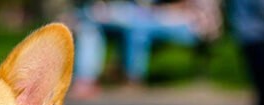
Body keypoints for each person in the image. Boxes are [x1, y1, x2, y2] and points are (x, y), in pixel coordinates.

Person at [72, 0, 221, 96]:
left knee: (137, 27)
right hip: (147, 15)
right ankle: (85, 80)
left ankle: (131, 77)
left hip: (191, 22)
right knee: (89, 22)